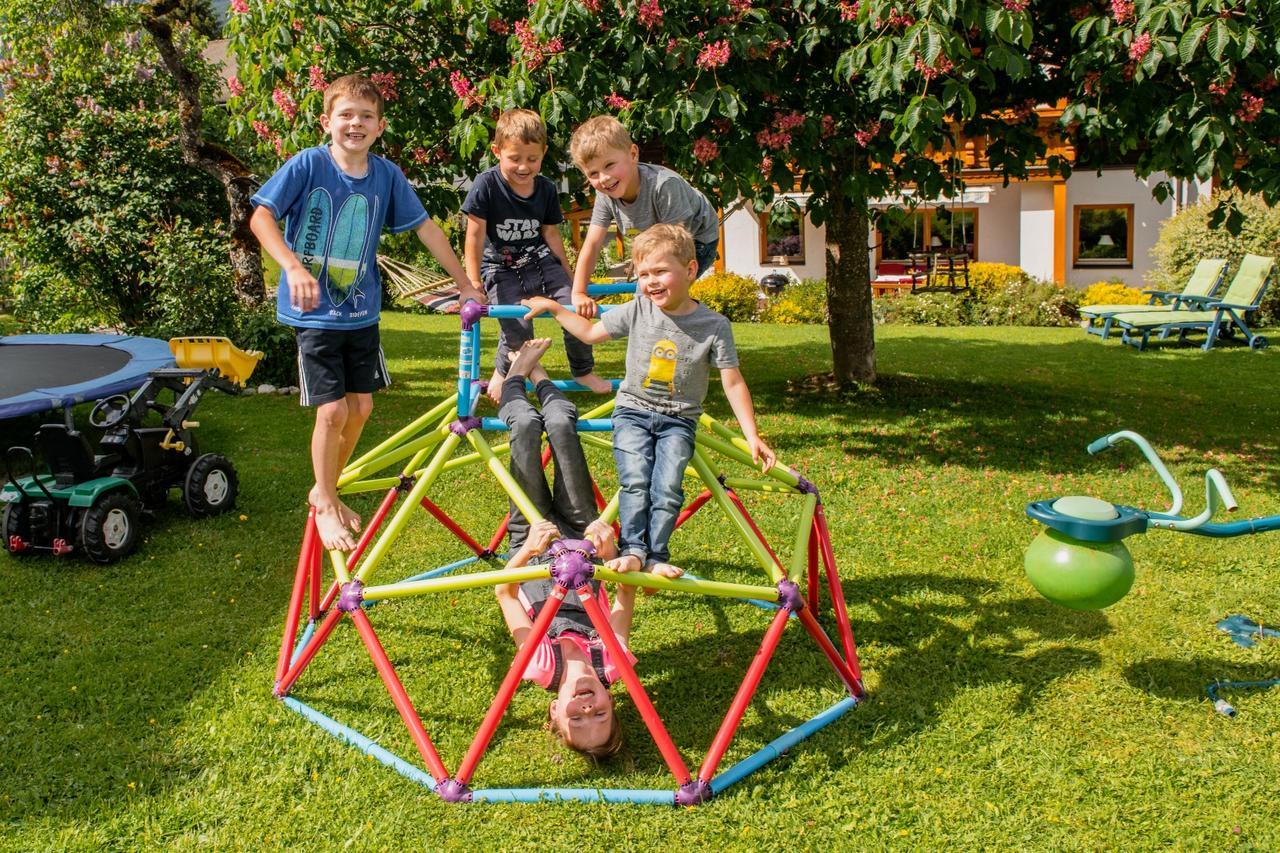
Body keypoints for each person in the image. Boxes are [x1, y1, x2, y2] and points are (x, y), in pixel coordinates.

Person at [249, 73, 481, 552]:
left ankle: (324, 486)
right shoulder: (308, 164)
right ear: (326, 121)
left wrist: (465, 284)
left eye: (366, 117)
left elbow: (426, 230)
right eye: (346, 115)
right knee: (332, 409)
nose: (355, 123)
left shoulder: (386, 175)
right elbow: (260, 217)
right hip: (314, 314)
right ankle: (327, 501)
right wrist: (291, 267)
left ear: (380, 127)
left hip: (361, 313)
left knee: (363, 406)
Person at [523, 224, 777, 578]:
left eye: (660, 271)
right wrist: (554, 307)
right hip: (633, 412)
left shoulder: (714, 325)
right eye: (643, 274)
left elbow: (732, 382)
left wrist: (752, 435)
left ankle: (656, 555)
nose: (650, 281)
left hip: (679, 420)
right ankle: (633, 550)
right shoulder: (639, 309)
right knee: (635, 480)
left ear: (689, 270)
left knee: (668, 487)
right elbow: (591, 333)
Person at [492, 339, 679, 759]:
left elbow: (504, 592)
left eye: (576, 719)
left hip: (532, 541)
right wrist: (610, 548)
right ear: (614, 704)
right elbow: (623, 589)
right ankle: (534, 371)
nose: (588, 708)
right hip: (581, 535)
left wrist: (528, 550)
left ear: (554, 711)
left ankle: (517, 374)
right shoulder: (612, 663)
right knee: (560, 425)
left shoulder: (538, 666)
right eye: (600, 716)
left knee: (523, 428)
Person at [462, 109, 612, 402]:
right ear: (497, 152)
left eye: (532, 159)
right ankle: (504, 369)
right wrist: (472, 282)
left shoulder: (544, 188)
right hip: (499, 267)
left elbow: (552, 234)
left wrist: (571, 278)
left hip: (540, 260)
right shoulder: (487, 185)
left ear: (543, 153)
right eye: (514, 158)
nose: (523, 166)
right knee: (518, 326)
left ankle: (582, 369)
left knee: (573, 309)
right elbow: (474, 235)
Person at [567, 115, 720, 320]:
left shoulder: (664, 186)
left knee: (654, 298)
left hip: (698, 240)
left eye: (610, 165)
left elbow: (677, 245)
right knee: (648, 299)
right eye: (593, 173)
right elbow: (592, 244)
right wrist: (578, 292)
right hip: (657, 246)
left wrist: (647, 285)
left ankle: (682, 340)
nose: (604, 178)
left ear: (633, 154)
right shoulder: (605, 195)